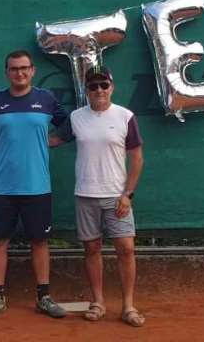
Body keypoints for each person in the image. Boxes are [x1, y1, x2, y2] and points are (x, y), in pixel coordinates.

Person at [50, 67, 145, 327]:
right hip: (85, 196)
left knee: (126, 249)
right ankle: (98, 302)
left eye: (103, 85)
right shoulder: (77, 117)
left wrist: (128, 194)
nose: (99, 90)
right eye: (93, 86)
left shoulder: (125, 117)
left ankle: (128, 306)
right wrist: (22, 133)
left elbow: (136, 158)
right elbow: (54, 140)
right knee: (91, 249)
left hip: (117, 198)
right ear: (87, 90)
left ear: (112, 87)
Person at [0, 50, 68, 318]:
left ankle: (44, 297)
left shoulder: (46, 99)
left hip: (38, 187)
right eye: (14, 69)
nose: (20, 73)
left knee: (40, 242)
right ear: (7, 72)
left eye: (24, 68)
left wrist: (52, 141)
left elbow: (69, 126)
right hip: (1, 188)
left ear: (32, 71)